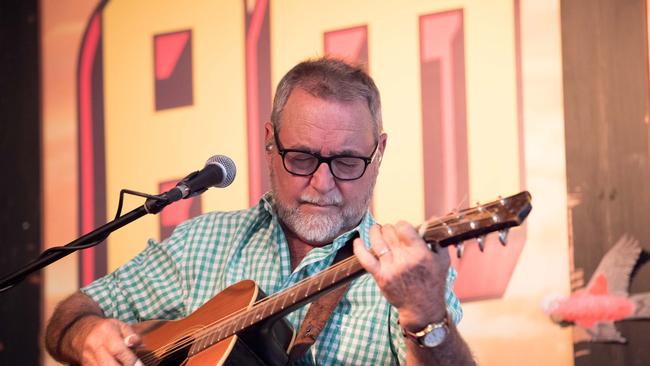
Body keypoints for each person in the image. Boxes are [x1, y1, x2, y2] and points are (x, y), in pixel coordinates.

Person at [45, 58, 475, 365]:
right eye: (302, 158)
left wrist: (425, 314)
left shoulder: (408, 273)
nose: (322, 184)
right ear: (270, 142)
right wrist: (86, 334)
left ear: (378, 152)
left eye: (346, 162)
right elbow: (71, 316)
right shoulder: (202, 242)